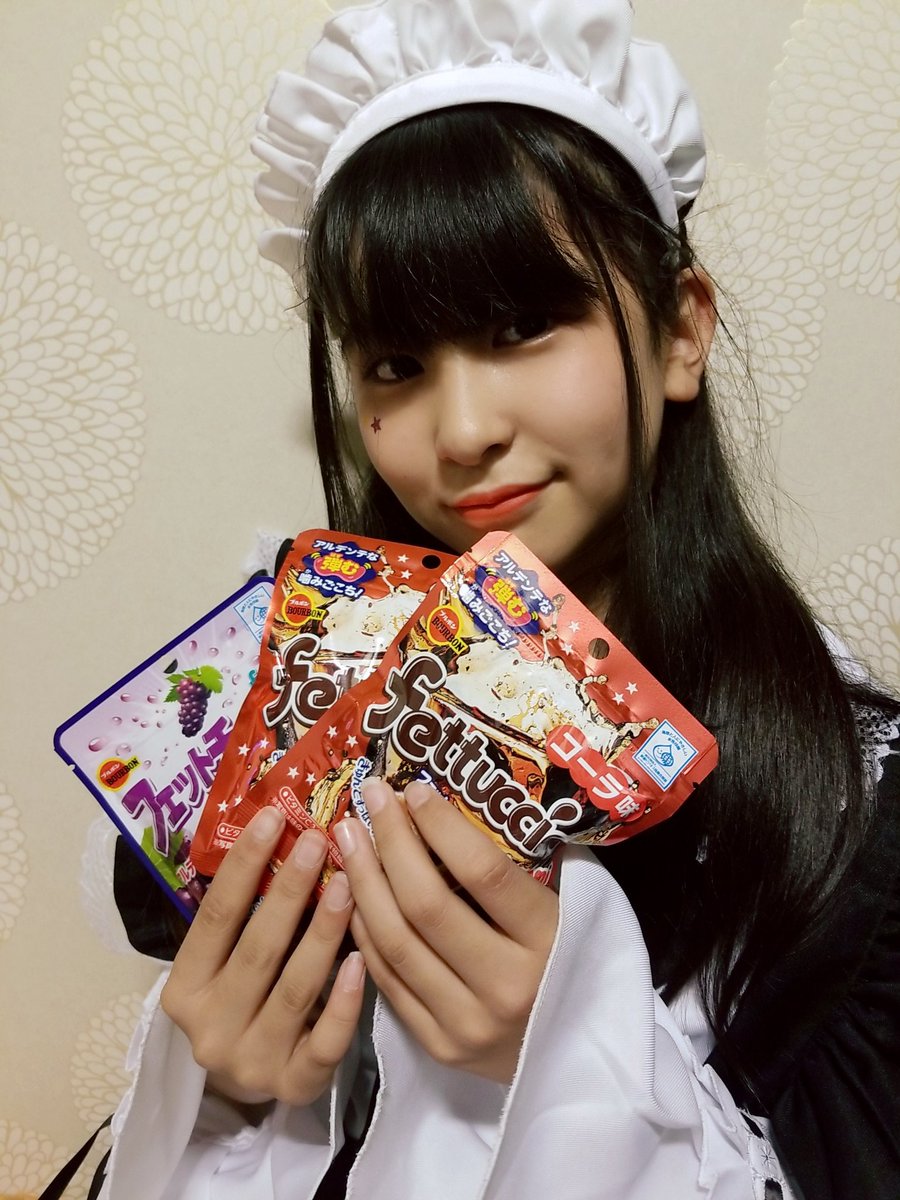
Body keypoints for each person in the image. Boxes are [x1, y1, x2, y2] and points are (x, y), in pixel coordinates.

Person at [98, 2, 900, 1197]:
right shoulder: (263, 731)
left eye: (524, 325)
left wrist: (567, 1054)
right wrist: (229, 1089)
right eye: (395, 363)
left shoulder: (849, 819)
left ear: (681, 332)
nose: (462, 431)